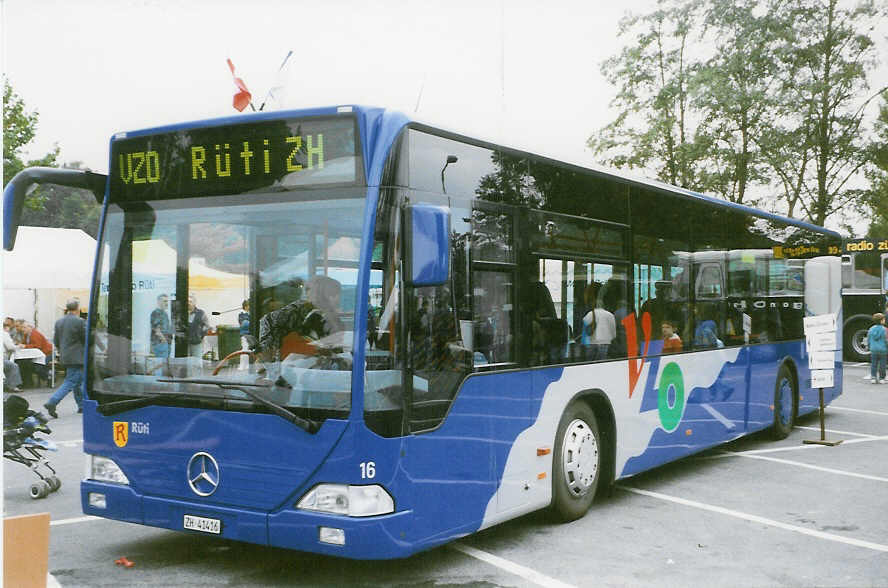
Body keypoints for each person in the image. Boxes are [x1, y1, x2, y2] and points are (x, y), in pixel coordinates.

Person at [44, 299, 86, 418]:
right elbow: (86, 339)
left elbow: (56, 340)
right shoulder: (80, 321)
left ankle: (81, 405)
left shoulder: (59, 322)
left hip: (65, 355)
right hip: (77, 356)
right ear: (78, 309)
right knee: (71, 381)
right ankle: (52, 402)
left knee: (77, 381)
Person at [581, 283, 616, 361]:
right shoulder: (610, 315)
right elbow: (613, 335)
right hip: (606, 347)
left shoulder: (588, 315)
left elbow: (584, 338)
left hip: (591, 348)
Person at [186, 293, 210, 358]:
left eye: (190, 301)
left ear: (194, 303)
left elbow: (207, 326)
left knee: (197, 363)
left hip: (196, 343)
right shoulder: (182, 313)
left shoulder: (201, 313)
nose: (189, 303)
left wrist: (200, 336)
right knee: (185, 363)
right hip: (184, 343)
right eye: (187, 301)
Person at [866, 313, 887, 384]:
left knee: (874, 364)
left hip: (873, 350)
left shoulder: (871, 329)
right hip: (883, 350)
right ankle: (882, 378)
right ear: (881, 321)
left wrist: (869, 347)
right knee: (882, 365)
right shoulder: (885, 330)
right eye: (884, 319)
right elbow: (886, 340)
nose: (885, 320)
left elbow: (868, 340)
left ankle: (873, 378)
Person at [3, 323, 24, 393]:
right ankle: (13, 386)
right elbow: (10, 347)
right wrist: (18, 347)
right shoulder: (4, 334)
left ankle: (7, 384)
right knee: (14, 366)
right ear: (6, 327)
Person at [150, 294, 172, 358]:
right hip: (160, 343)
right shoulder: (156, 313)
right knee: (161, 365)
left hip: (165, 344)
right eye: (165, 301)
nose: (166, 303)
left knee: (165, 365)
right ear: (159, 302)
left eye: (167, 301)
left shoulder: (165, 314)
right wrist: (164, 341)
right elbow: (157, 330)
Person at [237, 299, 251, 370]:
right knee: (244, 349)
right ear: (245, 306)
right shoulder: (241, 314)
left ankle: (247, 365)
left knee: (248, 350)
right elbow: (244, 324)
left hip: (250, 334)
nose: (250, 307)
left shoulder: (249, 313)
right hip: (244, 334)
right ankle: (242, 365)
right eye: (249, 305)